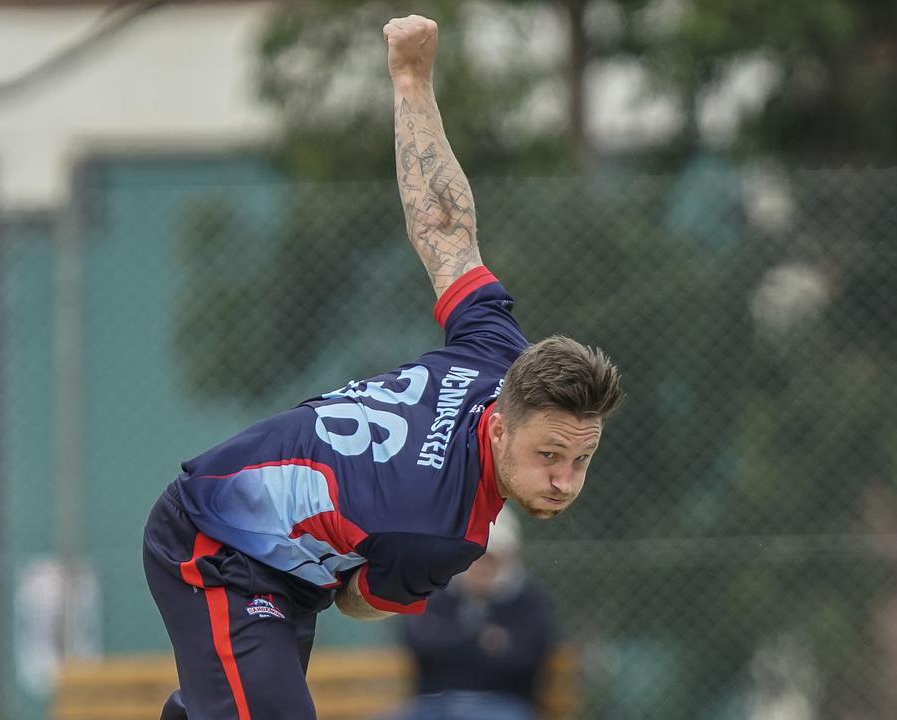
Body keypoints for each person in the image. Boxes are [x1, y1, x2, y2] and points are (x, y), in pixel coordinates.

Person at [142, 14, 623, 720]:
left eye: (580, 461)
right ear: (498, 424)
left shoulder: (496, 352)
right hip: (215, 545)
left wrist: (410, 76)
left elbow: (444, 232)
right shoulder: (446, 532)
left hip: (286, 570)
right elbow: (359, 602)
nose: (563, 480)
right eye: (549, 454)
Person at [394, 509, 557, 720]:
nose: (481, 567)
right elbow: (419, 644)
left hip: (503, 704)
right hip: (435, 703)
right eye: (474, 559)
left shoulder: (529, 602)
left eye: (490, 559)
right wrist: (483, 640)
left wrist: (451, 638)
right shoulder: (435, 595)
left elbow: (526, 658)